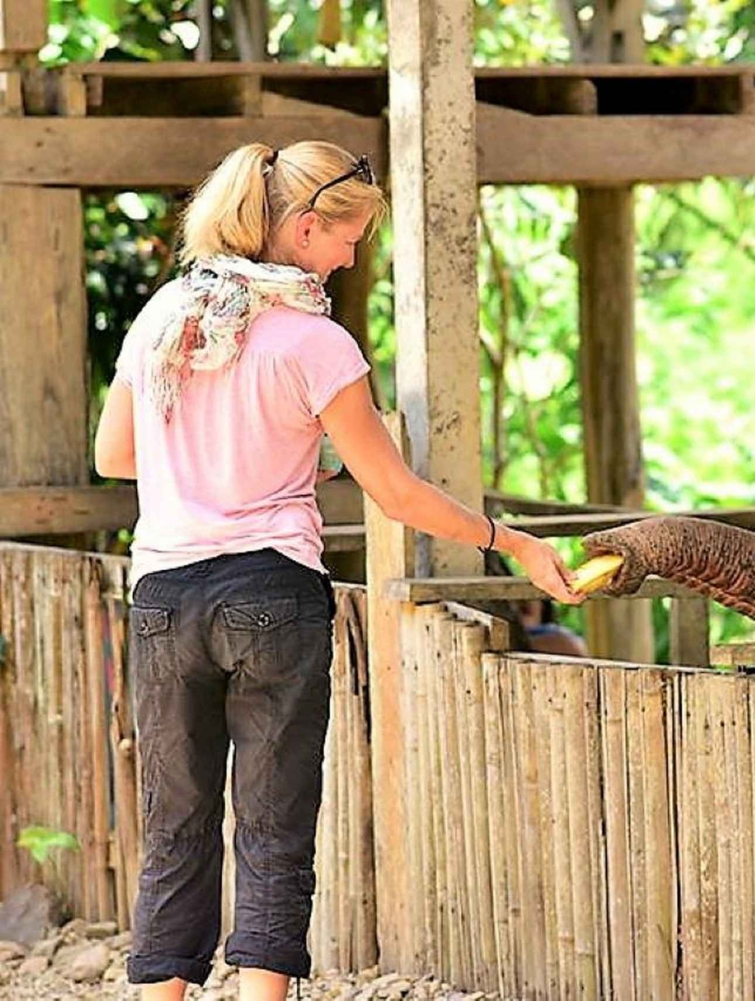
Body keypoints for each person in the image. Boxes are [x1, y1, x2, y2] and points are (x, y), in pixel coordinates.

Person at [92, 140, 582, 1001]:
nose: (352, 258)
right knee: (273, 824)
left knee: (176, 821)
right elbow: (395, 492)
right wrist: (510, 541)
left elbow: (115, 456)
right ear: (307, 228)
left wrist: (226, 460)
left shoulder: (168, 314)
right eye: (348, 239)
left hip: (165, 596)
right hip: (270, 593)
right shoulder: (316, 343)